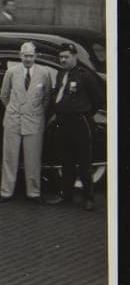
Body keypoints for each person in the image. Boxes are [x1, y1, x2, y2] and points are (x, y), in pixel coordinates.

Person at [45, 43, 104, 211]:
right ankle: (67, 195)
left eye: (66, 57)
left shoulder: (84, 75)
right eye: (61, 57)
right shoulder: (61, 73)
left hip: (80, 122)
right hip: (63, 122)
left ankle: (88, 198)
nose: (63, 60)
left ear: (74, 57)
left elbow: (98, 99)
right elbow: (58, 93)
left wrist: (84, 113)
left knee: (84, 162)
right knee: (66, 161)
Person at [0, 42, 52, 204]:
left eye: (31, 56)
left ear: (36, 56)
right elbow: (4, 95)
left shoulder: (44, 73)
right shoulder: (12, 72)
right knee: (9, 157)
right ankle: (6, 192)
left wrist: (34, 111)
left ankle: (33, 192)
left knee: (33, 158)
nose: (28, 59)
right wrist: (14, 109)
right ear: (20, 55)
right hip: (13, 119)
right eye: (25, 55)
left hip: (34, 120)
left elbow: (47, 97)